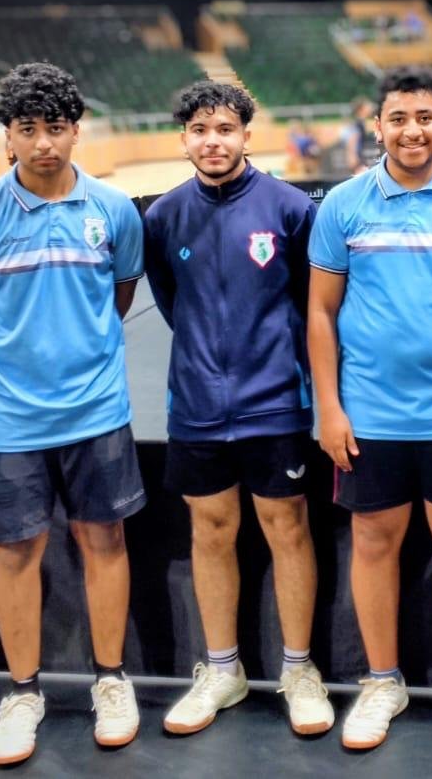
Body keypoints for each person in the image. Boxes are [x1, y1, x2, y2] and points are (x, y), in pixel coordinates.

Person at [0, 62, 146, 765]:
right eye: (27, 129)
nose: (43, 143)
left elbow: (119, 296)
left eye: (55, 128)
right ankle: (23, 692)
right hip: (7, 423)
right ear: (8, 137)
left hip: (97, 412)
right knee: (16, 552)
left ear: (76, 131)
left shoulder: (113, 211)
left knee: (104, 541)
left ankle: (111, 681)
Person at [307, 65, 432, 751]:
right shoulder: (343, 205)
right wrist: (329, 406)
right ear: (378, 127)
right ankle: (382, 681)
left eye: (424, 117)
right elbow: (320, 310)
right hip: (370, 414)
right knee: (373, 541)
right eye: (397, 118)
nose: (412, 130)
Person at [143, 81, 335, 738]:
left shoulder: (290, 208)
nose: (212, 141)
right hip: (197, 404)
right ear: (183, 139)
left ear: (247, 135)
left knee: (288, 530)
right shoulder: (163, 217)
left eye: (225, 128)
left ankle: (299, 670)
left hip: (275, 402)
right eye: (199, 130)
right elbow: (172, 301)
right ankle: (223, 669)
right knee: (211, 531)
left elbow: (312, 303)